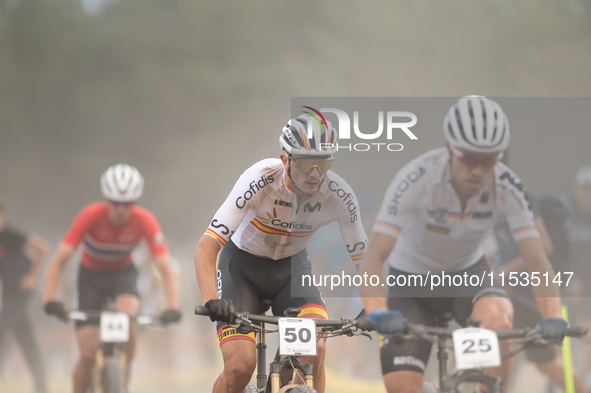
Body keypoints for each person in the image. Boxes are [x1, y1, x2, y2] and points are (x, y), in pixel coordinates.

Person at [359, 96, 567, 393]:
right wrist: (377, 309)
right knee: (403, 387)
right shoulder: (415, 178)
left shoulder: (508, 185)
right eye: (469, 159)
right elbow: (374, 255)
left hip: (468, 276)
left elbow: (537, 261)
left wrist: (552, 314)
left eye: (489, 160)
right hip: (411, 285)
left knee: (498, 321)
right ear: (449, 149)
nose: (479, 170)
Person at [194, 114, 369, 393]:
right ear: (286, 160)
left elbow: (365, 260)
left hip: (291, 271)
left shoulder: (339, 195)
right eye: (305, 162)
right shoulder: (260, 179)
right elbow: (206, 248)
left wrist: (377, 307)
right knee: (240, 366)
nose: (315, 173)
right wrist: (212, 301)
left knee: (315, 348)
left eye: (322, 163)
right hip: (241, 269)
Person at [43, 164, 182, 393]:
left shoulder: (145, 220)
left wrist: (173, 306)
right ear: (105, 199)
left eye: (127, 204)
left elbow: (166, 268)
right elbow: (58, 260)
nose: (120, 210)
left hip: (122, 276)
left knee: (128, 320)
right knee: (87, 355)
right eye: (115, 203)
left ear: (135, 202)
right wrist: (50, 299)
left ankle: (122, 379)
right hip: (90, 278)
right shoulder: (90, 215)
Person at [489, 192, 586, 393]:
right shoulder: (484, 210)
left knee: (547, 363)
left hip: (526, 296)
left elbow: (543, 247)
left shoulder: (519, 200)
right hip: (505, 294)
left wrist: (503, 271)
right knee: (495, 355)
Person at [0, 203, 49, 393]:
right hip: (9, 299)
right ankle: (42, 387)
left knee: (2, 331)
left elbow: (42, 247)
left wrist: (32, 276)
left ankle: (41, 386)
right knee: (28, 343)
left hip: (19, 298)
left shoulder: (10, 235)